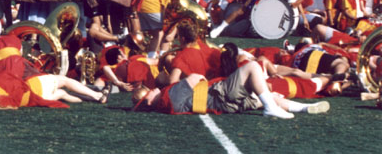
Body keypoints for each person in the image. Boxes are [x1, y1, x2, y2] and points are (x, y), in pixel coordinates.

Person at [132, 59, 329, 119]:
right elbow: (194, 78)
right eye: (149, 91)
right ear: (149, 99)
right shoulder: (167, 95)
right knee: (252, 67)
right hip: (220, 93)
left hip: (225, 106)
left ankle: (303, 108)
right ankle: (271, 107)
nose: (152, 89)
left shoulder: (167, 104)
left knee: (269, 96)